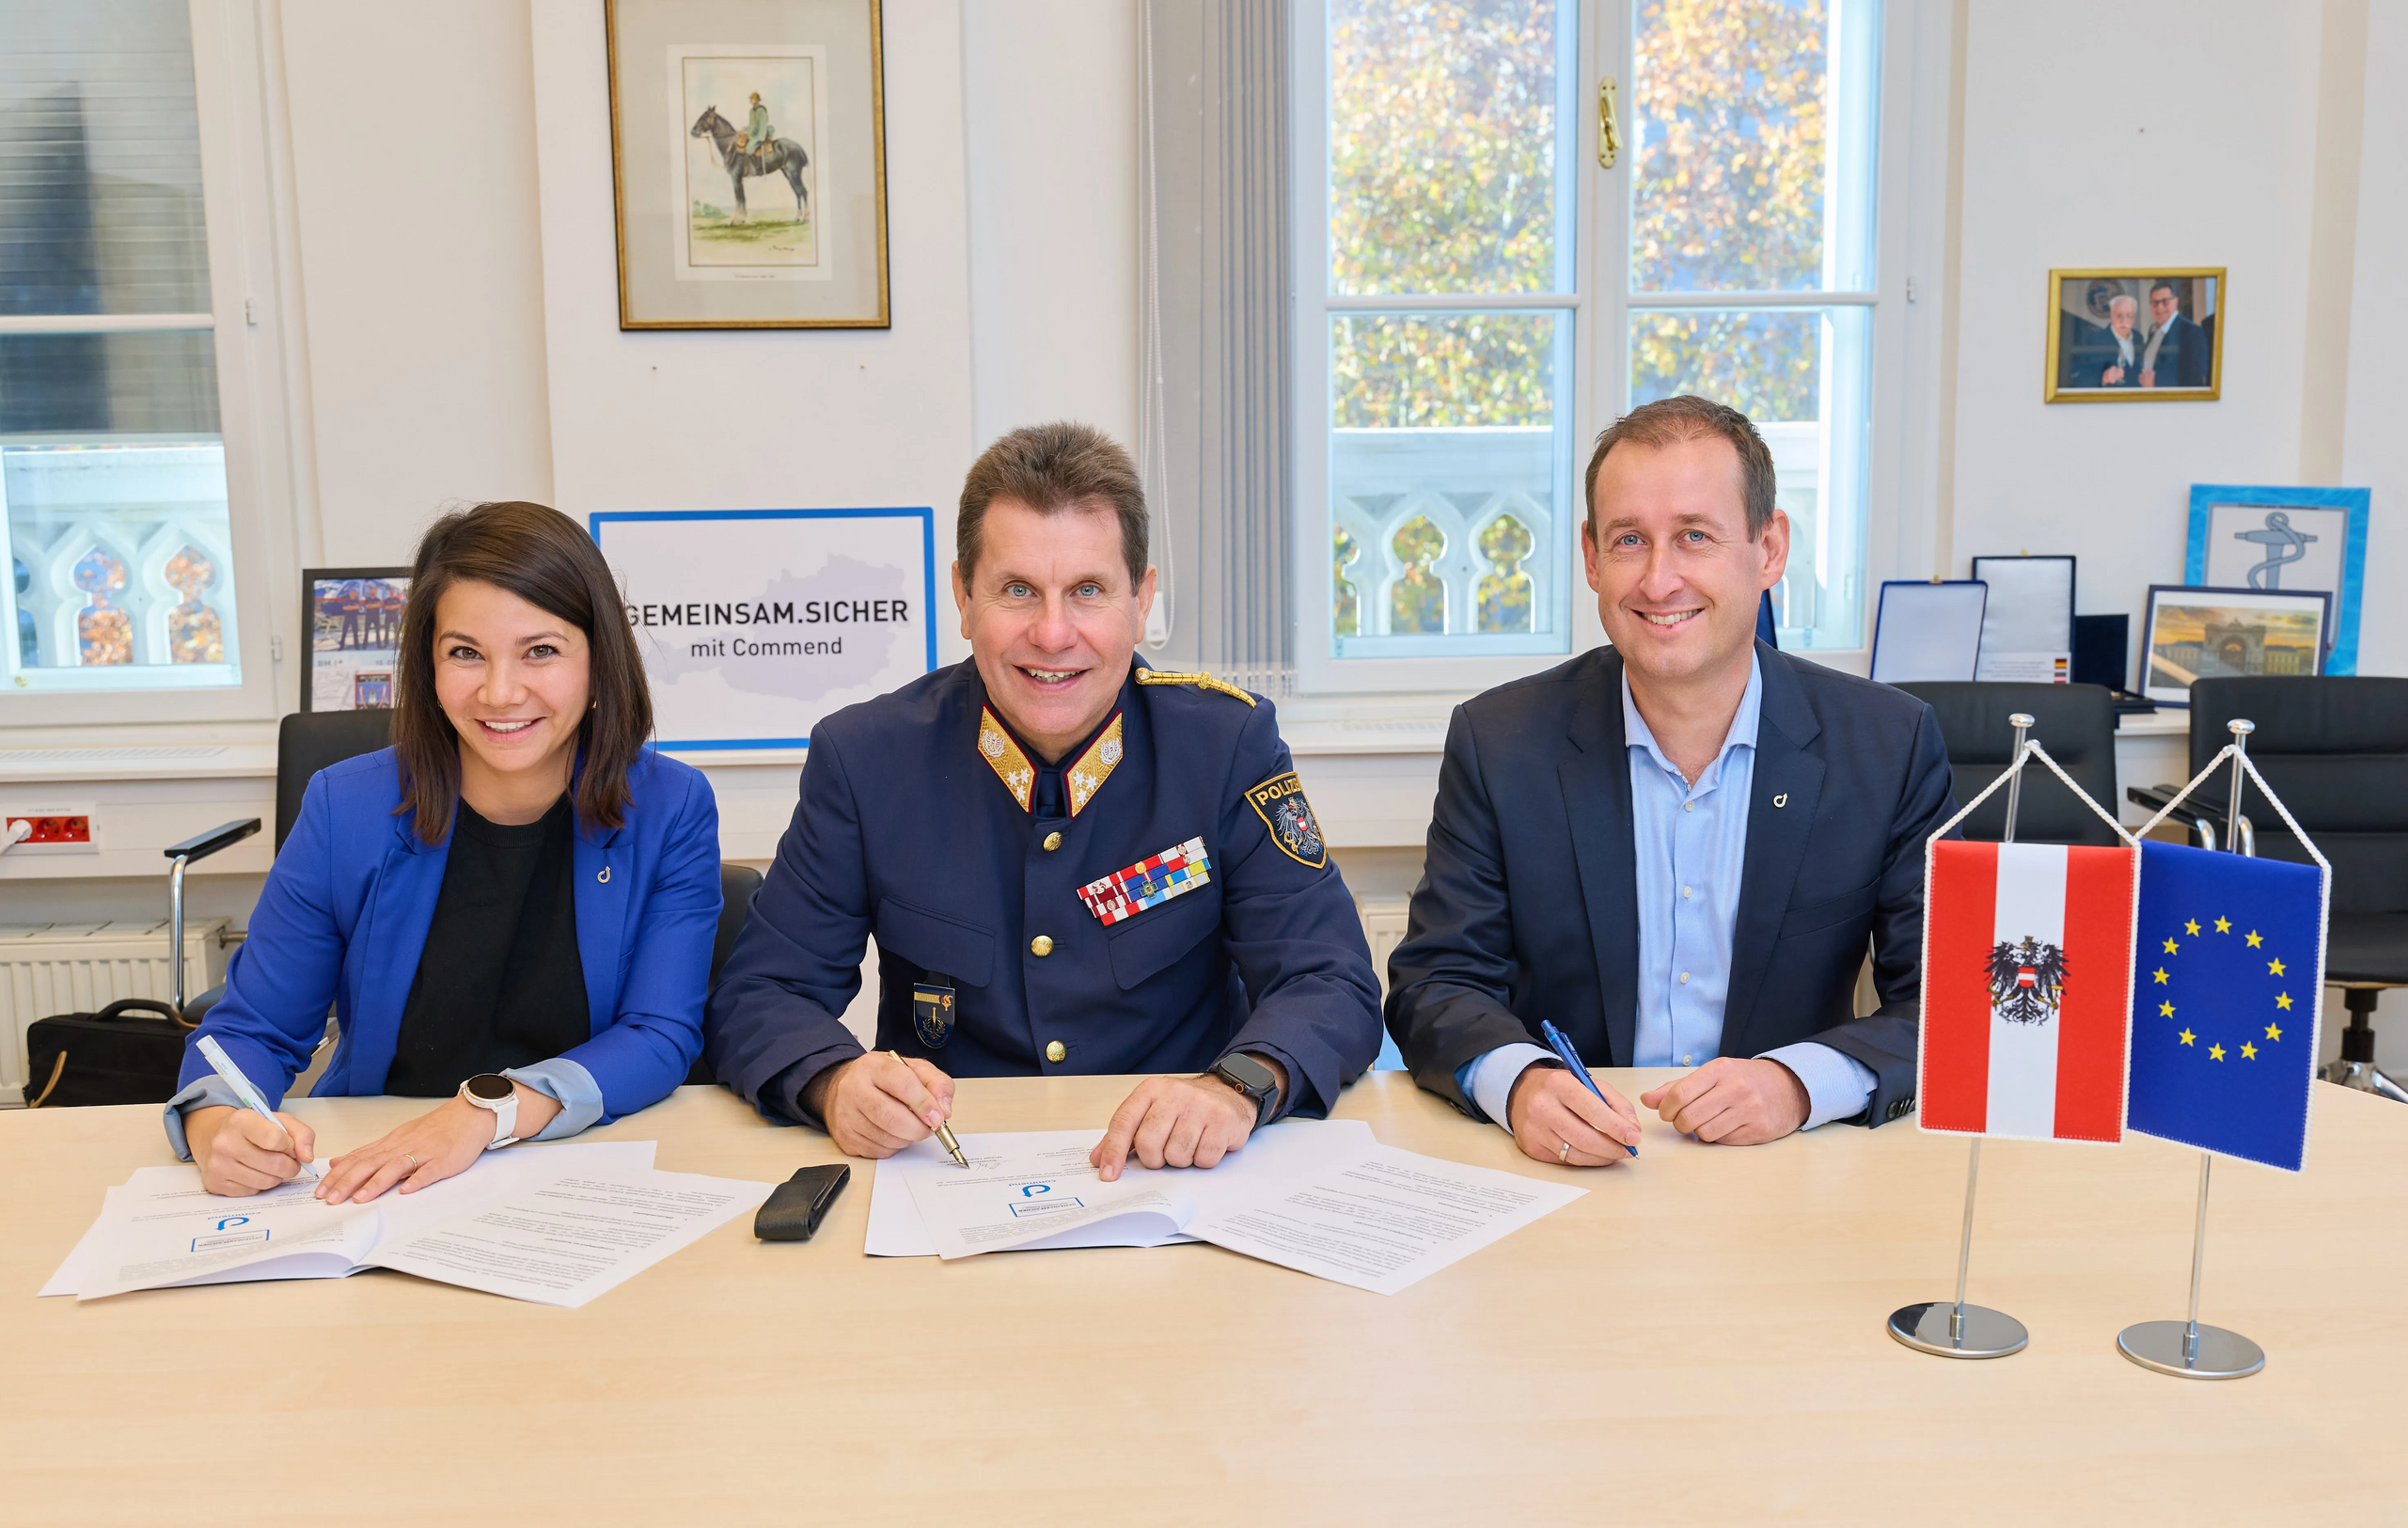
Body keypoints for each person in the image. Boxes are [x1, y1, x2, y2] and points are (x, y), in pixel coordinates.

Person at [707, 422, 1381, 1179]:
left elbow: (1330, 979)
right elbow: (761, 990)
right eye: (1017, 590)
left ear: (1141, 599)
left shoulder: (1224, 745)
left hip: (1177, 1176)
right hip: (951, 1176)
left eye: (1087, 591)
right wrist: (833, 1080)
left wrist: (1237, 1087)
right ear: (964, 596)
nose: (1053, 633)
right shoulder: (867, 758)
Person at [1385, 395, 1955, 1166]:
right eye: (1629, 540)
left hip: (1793, 1164)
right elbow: (1436, 982)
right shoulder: (1500, 741)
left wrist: (1798, 1082)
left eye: (1694, 536)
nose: (1659, 580)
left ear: (1769, 547)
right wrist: (1519, 1082)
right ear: (1590, 556)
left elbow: (1946, 1002)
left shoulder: (1886, 744)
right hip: (1564, 1168)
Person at [168, 501, 722, 1200]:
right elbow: (254, 1027)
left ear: (598, 660)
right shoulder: (347, 807)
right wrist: (217, 1123)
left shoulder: (671, 806)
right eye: (465, 652)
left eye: (541, 651)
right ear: (428, 663)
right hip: (385, 1175)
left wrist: (482, 1114)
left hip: (584, 1168)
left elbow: (659, 1033)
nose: (499, 691)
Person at [2140, 279, 2211, 388]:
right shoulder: (2153, 330)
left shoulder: (2192, 332)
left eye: (2165, 301)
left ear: (2176, 302)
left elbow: (2194, 379)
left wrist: (2156, 383)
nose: (2159, 307)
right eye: (2155, 303)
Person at [2090, 294, 2142, 387]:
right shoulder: (2097, 339)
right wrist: (2103, 378)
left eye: (2129, 316)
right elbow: (2082, 376)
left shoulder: (2139, 338)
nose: (2124, 320)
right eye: (2119, 315)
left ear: (2134, 318)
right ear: (2111, 315)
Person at [744, 91, 774, 167]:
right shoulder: (751, 111)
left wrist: (761, 138)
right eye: (750, 99)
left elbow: (763, 125)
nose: (750, 101)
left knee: (748, 149)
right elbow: (752, 124)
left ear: (757, 100)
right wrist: (745, 129)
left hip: (759, 136)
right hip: (752, 135)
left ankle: (756, 166)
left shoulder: (761, 111)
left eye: (752, 99)